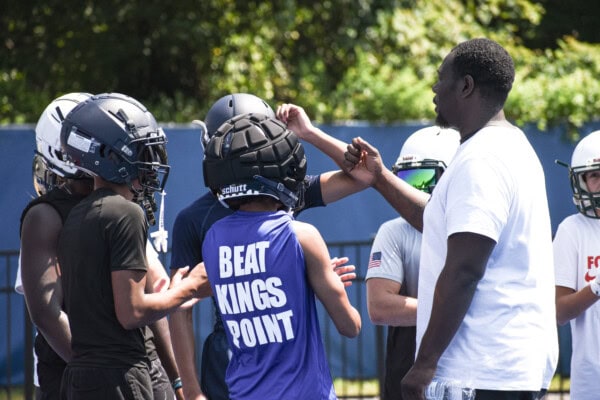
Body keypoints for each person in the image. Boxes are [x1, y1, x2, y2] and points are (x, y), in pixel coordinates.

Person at [344, 38, 557, 399]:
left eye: (441, 77)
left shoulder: (481, 160)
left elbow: (464, 270)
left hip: (481, 373)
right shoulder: (508, 147)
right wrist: (380, 179)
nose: (434, 87)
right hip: (501, 368)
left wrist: (424, 363)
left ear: (466, 86)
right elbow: (436, 220)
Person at [168, 94, 367, 400]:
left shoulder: (214, 230)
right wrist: (190, 389)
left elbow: (361, 175)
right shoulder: (281, 206)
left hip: (245, 355)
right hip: (248, 352)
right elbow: (366, 173)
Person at [57, 92, 211, 399]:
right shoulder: (124, 212)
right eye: (141, 150)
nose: (150, 162)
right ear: (110, 154)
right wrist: (190, 287)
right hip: (118, 376)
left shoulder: (77, 214)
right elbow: (131, 311)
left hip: (79, 377)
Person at [365, 126, 459, 400]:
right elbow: (380, 307)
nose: (410, 190)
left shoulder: (475, 228)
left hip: (471, 363)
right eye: (405, 179)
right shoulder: (393, 231)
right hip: (408, 362)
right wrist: (457, 309)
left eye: (422, 177)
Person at [554, 130, 600, 400]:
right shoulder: (572, 230)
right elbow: (558, 313)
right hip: (592, 383)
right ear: (580, 181)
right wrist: (596, 287)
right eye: (595, 175)